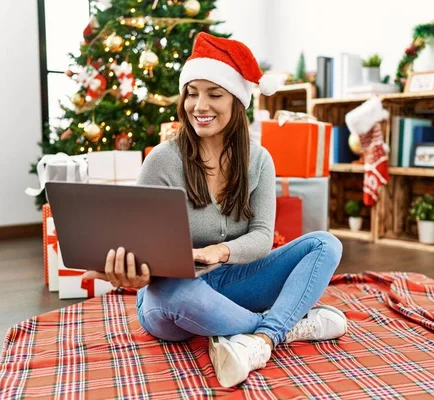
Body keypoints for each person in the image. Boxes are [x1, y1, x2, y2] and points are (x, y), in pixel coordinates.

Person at [83, 32, 347, 388]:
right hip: (172, 294)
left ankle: (260, 338)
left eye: (214, 94)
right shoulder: (162, 161)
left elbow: (262, 238)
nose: (199, 105)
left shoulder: (259, 161)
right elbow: (143, 247)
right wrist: (136, 274)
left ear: (237, 100)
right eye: (191, 93)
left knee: (325, 244)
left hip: (235, 280)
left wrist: (219, 252)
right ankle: (284, 327)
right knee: (180, 293)